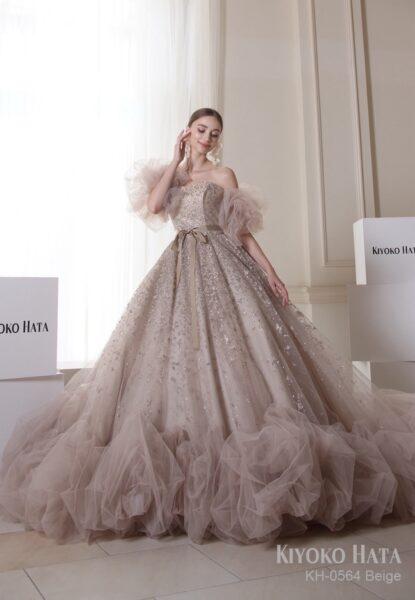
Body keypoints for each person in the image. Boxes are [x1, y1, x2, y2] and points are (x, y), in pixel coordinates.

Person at [1, 106, 415, 548]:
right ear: (188, 131)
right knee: (174, 357)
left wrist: (271, 273)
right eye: (202, 130)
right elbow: (154, 206)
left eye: (215, 133)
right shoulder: (174, 176)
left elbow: (241, 232)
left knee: (240, 352)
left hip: (223, 264)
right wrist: (174, 160)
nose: (208, 138)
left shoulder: (224, 175)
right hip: (179, 269)